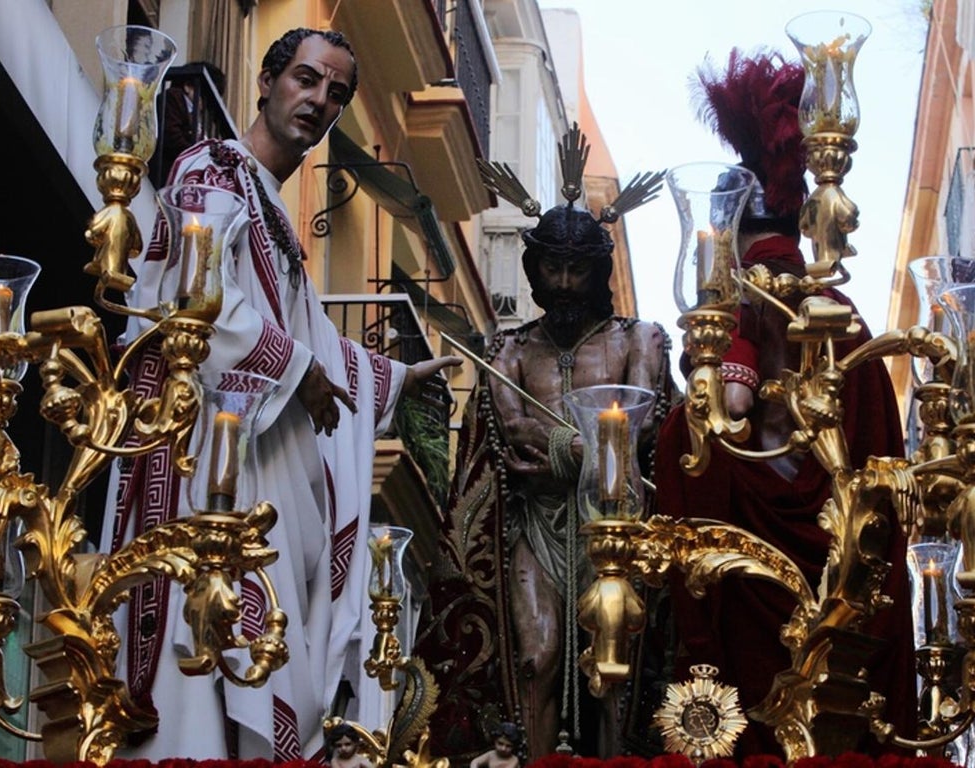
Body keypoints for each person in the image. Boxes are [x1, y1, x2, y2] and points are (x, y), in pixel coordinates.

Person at [104, 28, 460, 760]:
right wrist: (300, 371)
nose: (319, 100)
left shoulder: (277, 221)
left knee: (271, 645)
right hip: (211, 455)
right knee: (209, 640)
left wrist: (390, 377)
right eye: (306, 79)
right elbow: (198, 301)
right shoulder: (212, 170)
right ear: (267, 82)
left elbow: (310, 340)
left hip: (270, 466)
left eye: (337, 93)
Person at [655, 50, 916, 757]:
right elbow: (883, 490)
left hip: (748, 607)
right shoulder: (850, 330)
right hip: (847, 605)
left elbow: (713, 426)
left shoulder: (735, 321)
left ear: (726, 240)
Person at [415, 134, 675, 761]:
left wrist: (564, 447)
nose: (562, 284)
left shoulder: (638, 339)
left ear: (597, 272)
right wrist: (584, 444)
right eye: (551, 269)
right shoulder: (509, 349)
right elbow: (513, 429)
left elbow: (639, 423)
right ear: (534, 271)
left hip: (615, 526)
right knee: (536, 656)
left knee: (614, 666)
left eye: (576, 270)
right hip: (539, 524)